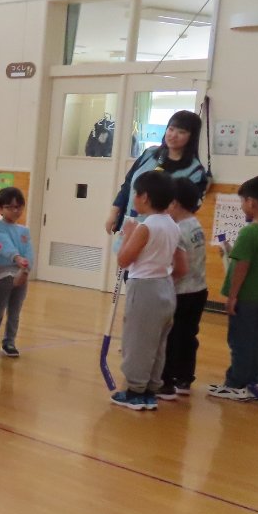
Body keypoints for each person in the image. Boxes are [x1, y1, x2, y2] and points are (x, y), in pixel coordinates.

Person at [110, 172, 186, 410]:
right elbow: (179, 266)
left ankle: (135, 392)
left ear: (144, 197)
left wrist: (128, 234)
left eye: (135, 193)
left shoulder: (146, 226)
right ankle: (151, 389)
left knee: (137, 341)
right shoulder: (173, 225)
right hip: (165, 286)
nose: (133, 197)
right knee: (157, 343)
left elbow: (123, 259)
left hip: (144, 288)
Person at [209, 176, 258, 402]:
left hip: (247, 298)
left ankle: (236, 384)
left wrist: (232, 296)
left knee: (240, 341)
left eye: (242, 201)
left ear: (251, 202)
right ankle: (252, 381)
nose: (242, 206)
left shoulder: (249, 232)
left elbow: (242, 266)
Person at [105, 109, 209, 235]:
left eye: (181, 132)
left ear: (192, 137)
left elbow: (187, 210)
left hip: (161, 235)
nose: (173, 135)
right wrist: (113, 213)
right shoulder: (149, 154)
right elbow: (127, 186)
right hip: (129, 227)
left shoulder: (195, 172)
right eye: (171, 129)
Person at [159, 178, 208, 398]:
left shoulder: (177, 230)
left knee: (171, 337)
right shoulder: (196, 224)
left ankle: (166, 382)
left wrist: (164, 282)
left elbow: (179, 267)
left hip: (180, 292)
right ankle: (184, 378)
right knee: (188, 336)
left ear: (175, 203)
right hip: (199, 290)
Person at [0, 187, 33, 358]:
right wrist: (16, 258)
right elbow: (3, 244)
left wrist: (25, 269)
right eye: (9, 207)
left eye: (18, 207)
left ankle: (9, 342)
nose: (15, 211)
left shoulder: (24, 231)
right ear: (0, 209)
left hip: (21, 275)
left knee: (15, 311)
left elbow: (29, 252)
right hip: (3, 275)